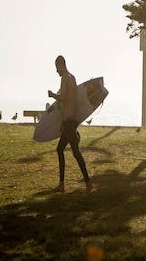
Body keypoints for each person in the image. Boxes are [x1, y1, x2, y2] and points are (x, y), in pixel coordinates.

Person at [48, 55, 92, 193]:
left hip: (70, 122)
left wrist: (53, 95)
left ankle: (63, 185)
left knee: (61, 149)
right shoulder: (72, 77)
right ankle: (87, 183)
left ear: (61, 65)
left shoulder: (65, 78)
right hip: (71, 121)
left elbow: (65, 98)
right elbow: (73, 100)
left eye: (57, 67)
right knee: (75, 153)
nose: (56, 71)